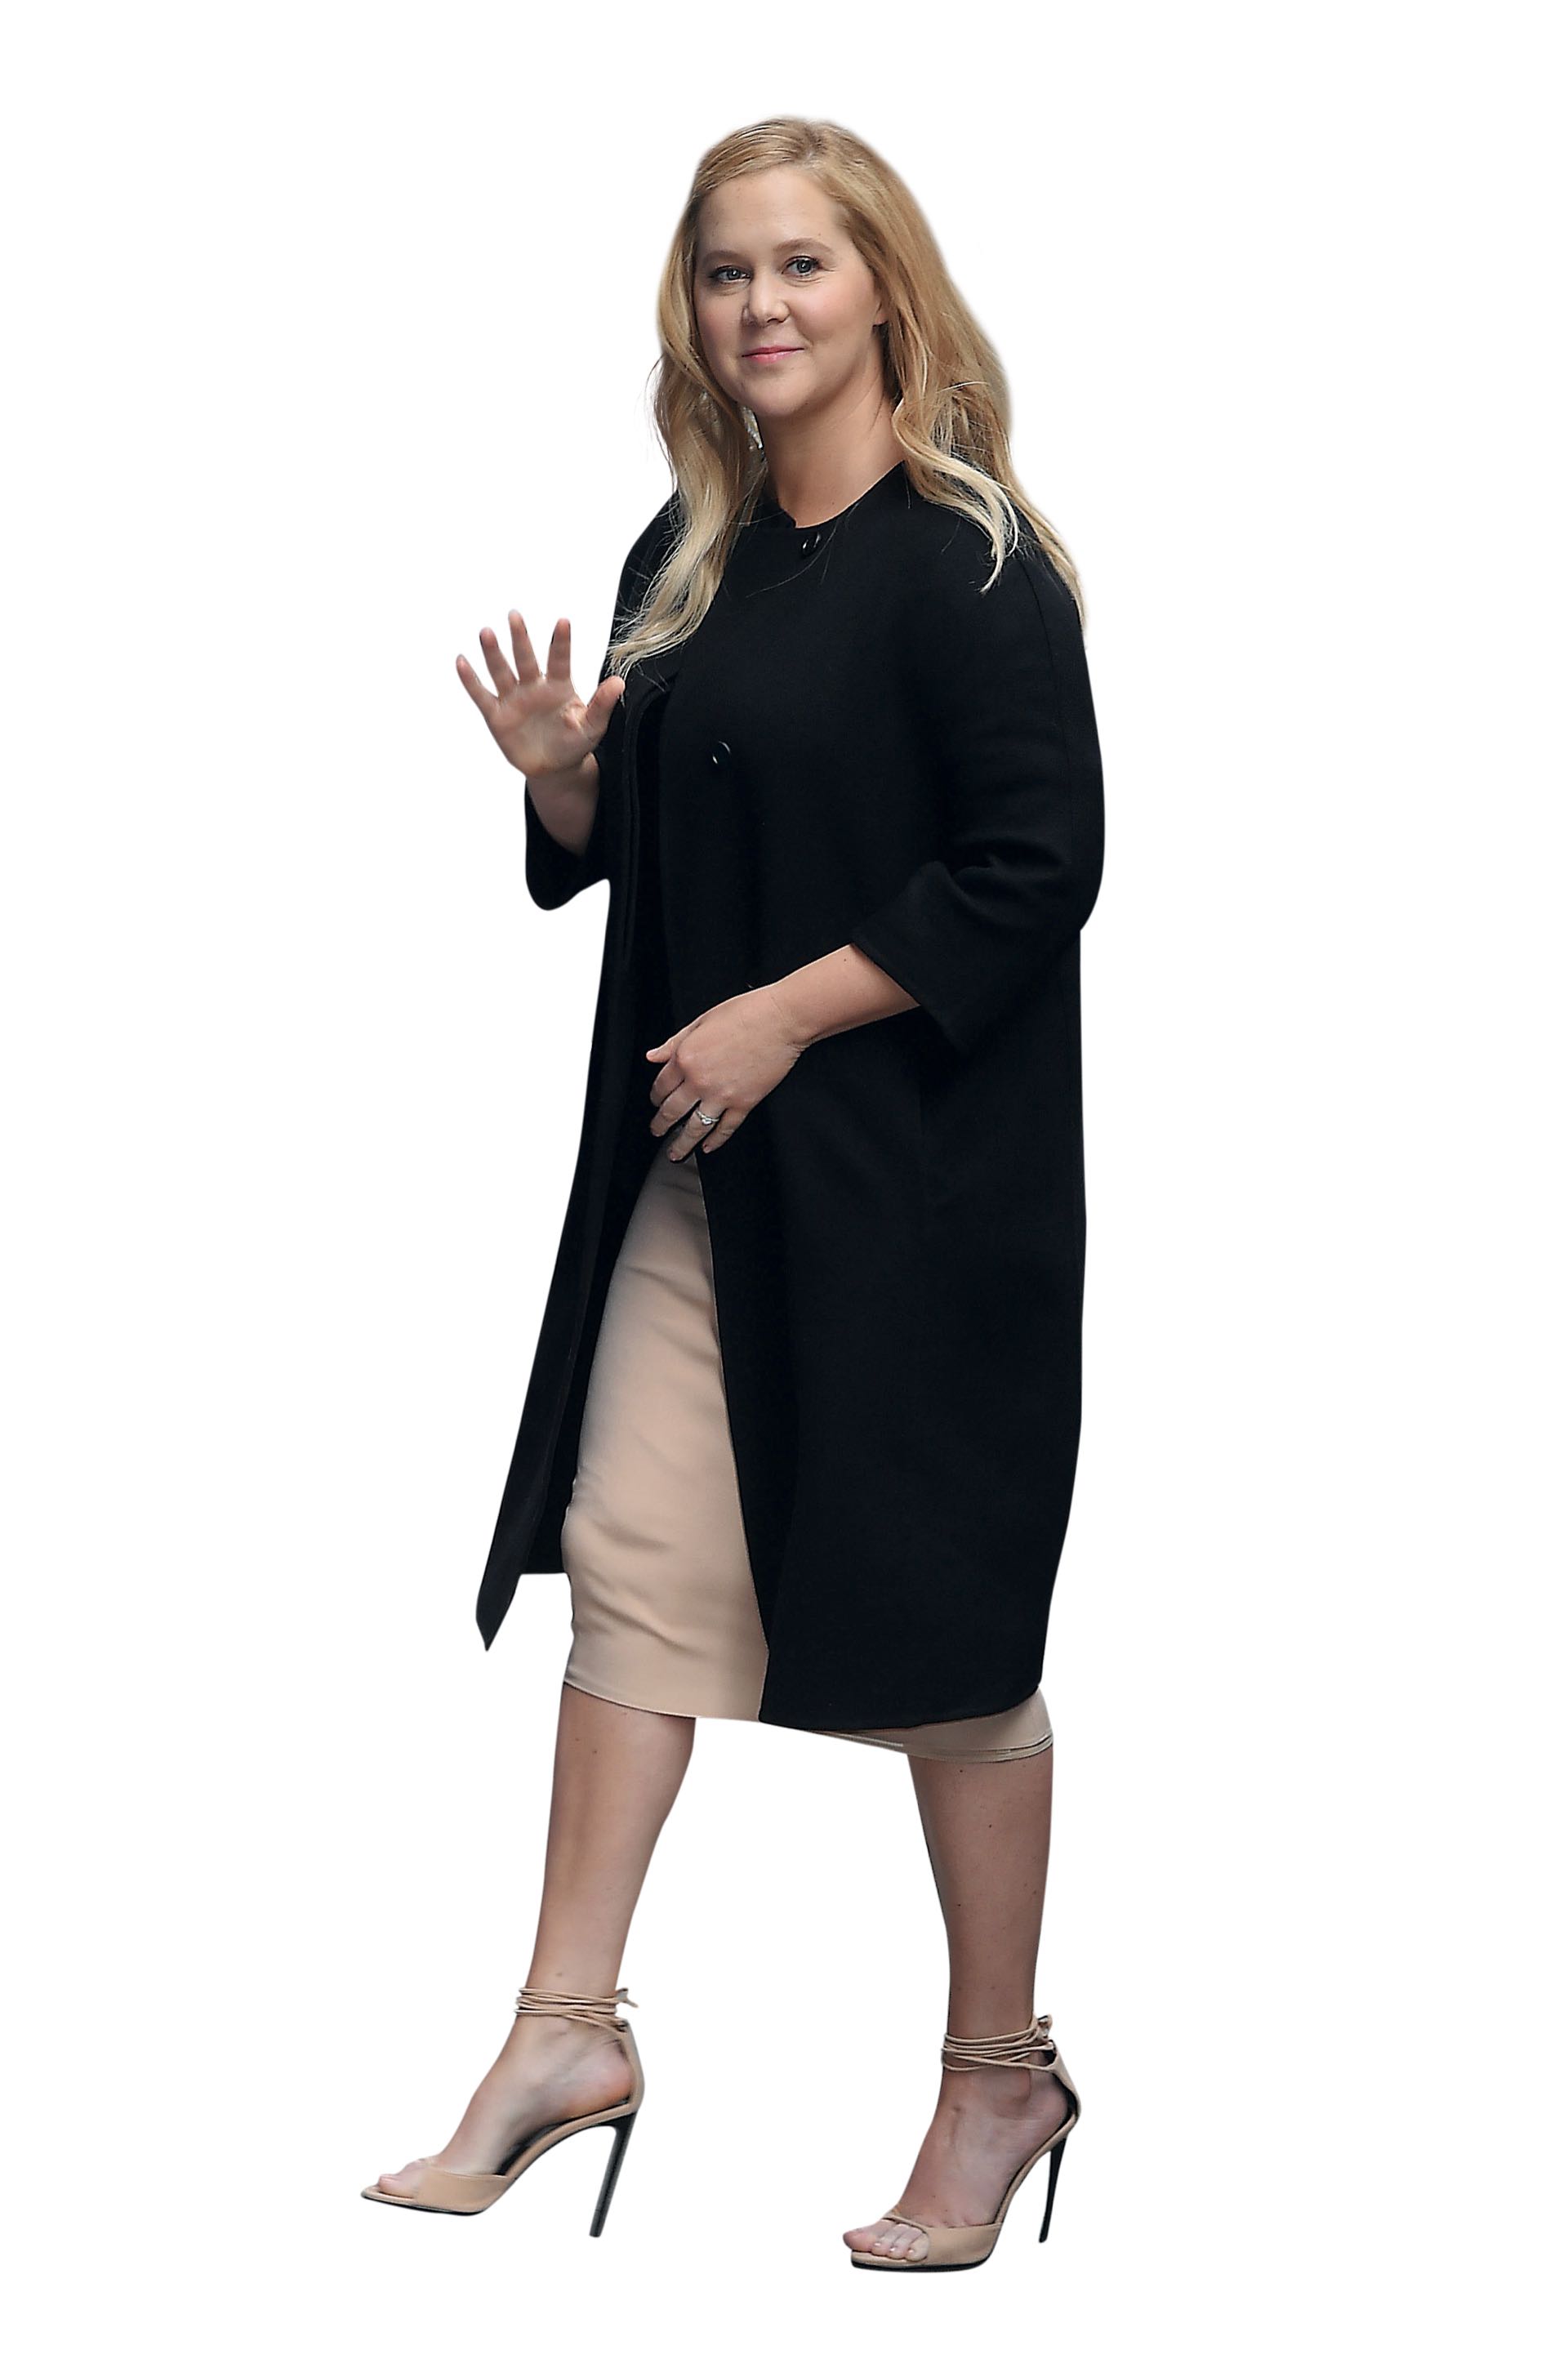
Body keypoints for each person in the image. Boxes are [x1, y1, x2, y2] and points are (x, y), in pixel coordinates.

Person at [363, 115, 1104, 2273]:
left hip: (915, 1206)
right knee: (635, 1562)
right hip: (701, 1181)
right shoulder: (685, 554)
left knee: (940, 1634)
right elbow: (655, 849)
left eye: (800, 263)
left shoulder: (974, 564)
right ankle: (562, 2035)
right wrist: (565, 788)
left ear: (886, 288)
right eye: (723, 271)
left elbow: (1036, 866)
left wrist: (784, 1015)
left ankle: (998, 2077)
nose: (760, 305)